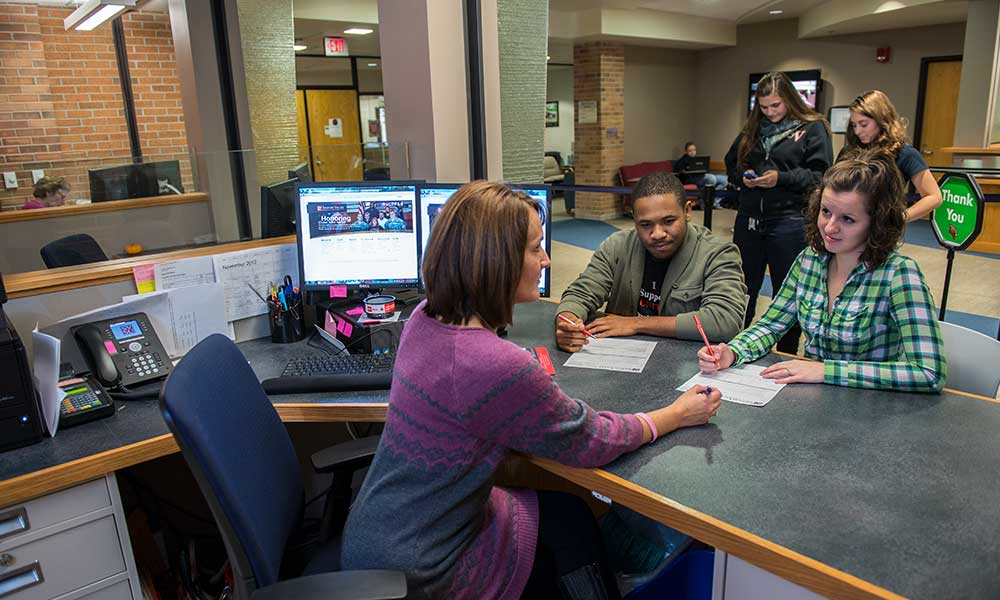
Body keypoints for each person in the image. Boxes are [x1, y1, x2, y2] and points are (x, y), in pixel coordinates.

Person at [340, 181, 723, 599]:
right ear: (497, 260)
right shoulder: (496, 365)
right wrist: (676, 414)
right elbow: (594, 439)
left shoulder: (424, 317)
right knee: (572, 528)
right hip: (427, 570)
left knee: (568, 514)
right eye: (534, 248)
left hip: (379, 532)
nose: (546, 259)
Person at [698, 150, 946, 393]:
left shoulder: (899, 275)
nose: (829, 227)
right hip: (815, 399)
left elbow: (929, 373)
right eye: (826, 212)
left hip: (870, 405)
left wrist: (827, 371)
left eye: (847, 219)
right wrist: (733, 351)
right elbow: (771, 325)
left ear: (878, 222)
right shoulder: (810, 260)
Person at [556, 171, 746, 352]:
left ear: (687, 211)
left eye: (669, 221)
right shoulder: (617, 245)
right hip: (620, 359)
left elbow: (725, 320)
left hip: (685, 364)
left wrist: (636, 323)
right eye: (645, 224)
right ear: (634, 219)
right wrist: (567, 323)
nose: (657, 234)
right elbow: (580, 294)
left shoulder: (718, 253)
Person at [725, 71, 833, 354]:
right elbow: (731, 164)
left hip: (789, 219)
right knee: (743, 286)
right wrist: (743, 176)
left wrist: (780, 179)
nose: (770, 112)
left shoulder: (813, 127)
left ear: (789, 99)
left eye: (776, 105)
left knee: (786, 291)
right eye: (764, 107)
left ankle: (785, 352)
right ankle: (735, 347)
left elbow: (820, 174)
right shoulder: (752, 129)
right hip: (750, 218)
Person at [838, 89, 942, 222]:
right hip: (844, 223)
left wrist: (899, 219)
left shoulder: (905, 153)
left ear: (881, 120)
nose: (857, 131)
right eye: (854, 125)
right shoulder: (848, 151)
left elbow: (934, 197)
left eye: (863, 124)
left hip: (879, 227)